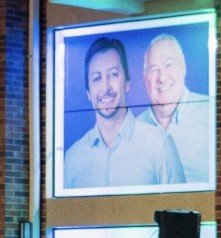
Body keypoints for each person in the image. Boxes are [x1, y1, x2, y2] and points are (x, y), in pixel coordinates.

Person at [63, 37, 185, 189]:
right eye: (96, 78)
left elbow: (181, 210)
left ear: (127, 82)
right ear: (88, 93)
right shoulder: (73, 158)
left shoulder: (160, 144)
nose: (105, 87)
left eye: (113, 74)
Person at [137, 33, 210, 184]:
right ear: (145, 79)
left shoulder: (212, 114)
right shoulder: (133, 131)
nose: (162, 78)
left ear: (183, 66)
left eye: (169, 65)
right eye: (154, 69)